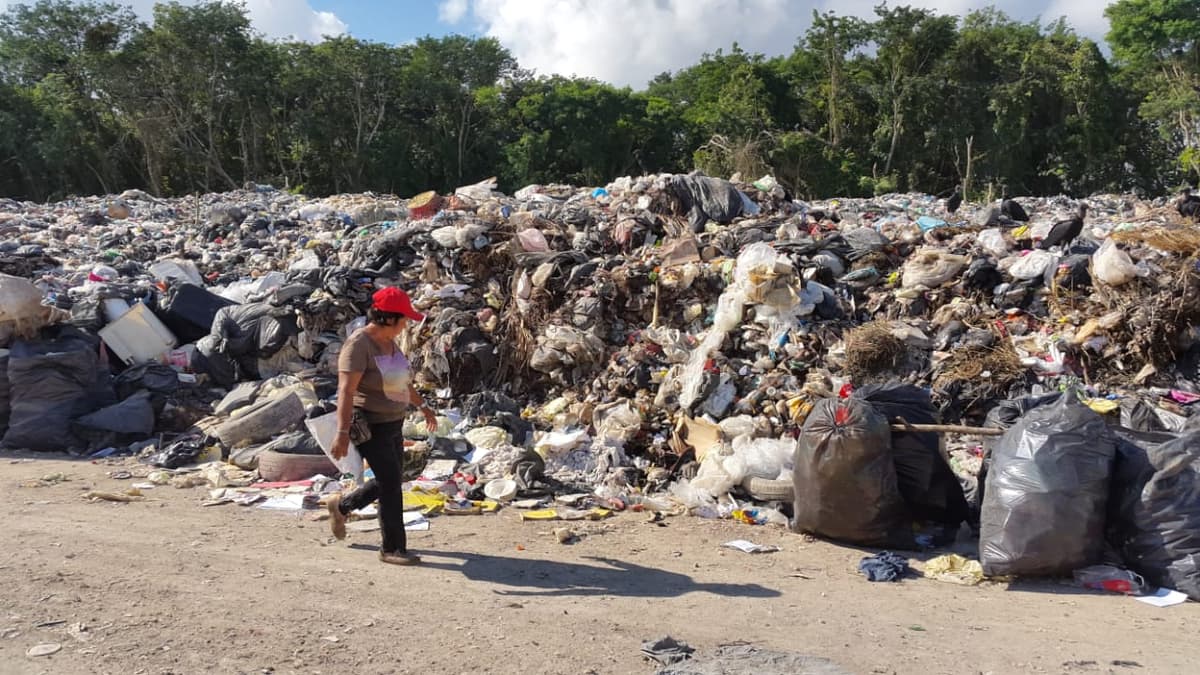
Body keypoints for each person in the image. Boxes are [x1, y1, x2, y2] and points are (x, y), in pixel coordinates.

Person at [326, 286, 437, 565]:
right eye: (403, 319)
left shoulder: (390, 343)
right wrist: (340, 434)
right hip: (369, 424)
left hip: (393, 422)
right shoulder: (358, 346)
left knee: (392, 478)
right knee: (390, 483)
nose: (406, 324)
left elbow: (401, 381)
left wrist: (423, 407)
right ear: (389, 317)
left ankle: (342, 507)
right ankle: (392, 549)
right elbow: (346, 391)